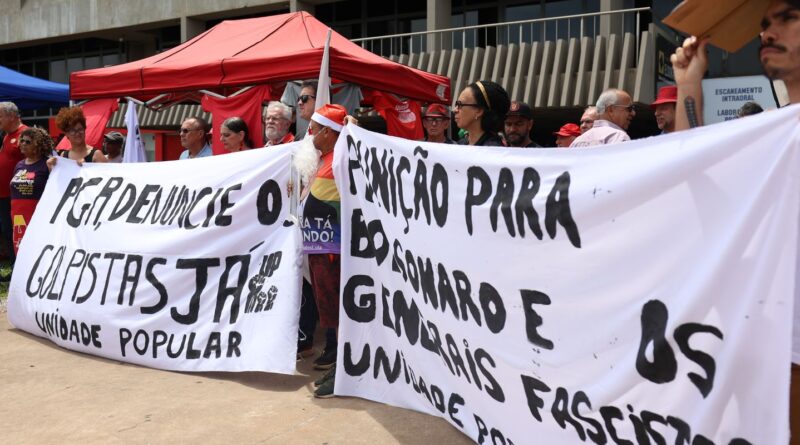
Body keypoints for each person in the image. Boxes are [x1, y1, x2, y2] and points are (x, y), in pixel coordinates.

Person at [670, 1, 800, 435]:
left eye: (786, 19)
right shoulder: (774, 135)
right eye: (764, 24)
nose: (767, 32)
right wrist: (689, 87)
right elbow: (693, 179)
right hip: (768, 354)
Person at [300, 104, 350, 399]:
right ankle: (338, 363)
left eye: (314, 129)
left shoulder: (340, 161)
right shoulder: (325, 160)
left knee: (336, 308)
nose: (310, 134)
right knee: (327, 310)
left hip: (333, 249)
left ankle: (343, 368)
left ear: (329, 133)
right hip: (319, 247)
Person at [10, 127, 51, 254]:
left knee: (36, 250)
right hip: (17, 216)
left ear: (38, 144)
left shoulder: (47, 164)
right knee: (20, 249)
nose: (22, 143)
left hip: (37, 215)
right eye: (21, 140)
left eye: (27, 142)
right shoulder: (19, 165)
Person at [0, 102, 27, 269]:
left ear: (11, 116)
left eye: (0, 116)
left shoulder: (25, 134)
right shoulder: (6, 135)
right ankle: (14, 266)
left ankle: (20, 268)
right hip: (4, 195)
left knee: (16, 232)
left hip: (16, 195)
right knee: (7, 232)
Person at [570, 89, 636, 147]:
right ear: (611, 109)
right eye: (629, 108)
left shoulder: (576, 142)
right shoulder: (618, 137)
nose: (633, 113)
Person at [454, 80, 510, 147]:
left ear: (479, 111)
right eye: (456, 104)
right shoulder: (460, 144)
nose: (455, 110)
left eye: (460, 105)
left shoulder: (492, 151)